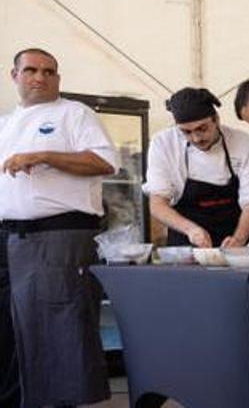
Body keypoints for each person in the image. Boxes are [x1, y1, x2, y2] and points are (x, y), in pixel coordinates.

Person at [0, 48, 116, 406]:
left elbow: (104, 162)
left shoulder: (74, 114)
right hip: (9, 237)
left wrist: (44, 155)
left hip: (59, 236)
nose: (40, 77)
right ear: (14, 75)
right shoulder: (5, 124)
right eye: (31, 70)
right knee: (10, 330)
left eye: (49, 71)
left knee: (59, 329)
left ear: (58, 78)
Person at [143, 87, 249, 247]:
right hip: (186, 240)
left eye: (202, 128)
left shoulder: (245, 144)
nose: (196, 138)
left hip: (235, 236)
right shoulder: (163, 144)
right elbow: (158, 204)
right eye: (186, 132)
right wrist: (191, 230)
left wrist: (239, 240)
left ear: (216, 119)